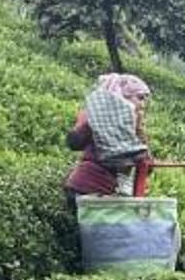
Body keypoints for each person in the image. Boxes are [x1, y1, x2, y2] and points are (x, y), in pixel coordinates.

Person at [63, 73, 152, 205]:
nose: (143, 105)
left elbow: (73, 143)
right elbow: (143, 161)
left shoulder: (110, 122)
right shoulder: (103, 121)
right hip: (94, 192)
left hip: (80, 187)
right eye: (139, 98)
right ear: (123, 98)